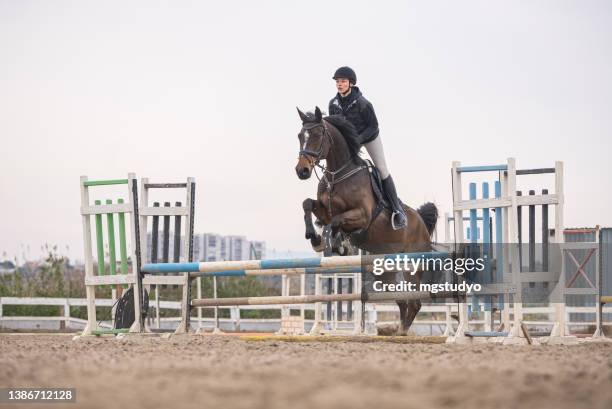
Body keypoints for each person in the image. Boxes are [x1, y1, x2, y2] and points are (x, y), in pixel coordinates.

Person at [328, 66, 408, 230]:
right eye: (337, 81)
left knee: (382, 168)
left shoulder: (364, 104)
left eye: (343, 81)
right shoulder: (333, 104)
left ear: (351, 83)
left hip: (369, 137)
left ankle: (397, 210)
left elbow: (373, 126)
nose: (339, 84)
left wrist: (358, 140)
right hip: (349, 140)